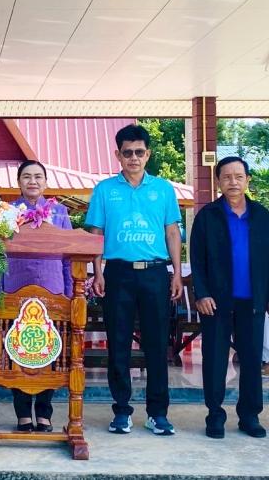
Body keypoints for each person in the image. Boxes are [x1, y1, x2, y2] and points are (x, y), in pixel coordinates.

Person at [87, 123, 183, 436]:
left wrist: (176, 273)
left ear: (148, 154)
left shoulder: (163, 189)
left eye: (139, 152)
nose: (133, 158)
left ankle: (158, 413)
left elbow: (172, 232)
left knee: (157, 344)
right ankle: (121, 411)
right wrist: (98, 272)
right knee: (118, 344)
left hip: (155, 273)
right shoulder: (105, 190)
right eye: (127, 152)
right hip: (118, 274)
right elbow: (96, 234)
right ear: (118, 155)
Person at [190, 156, 269, 439]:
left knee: (252, 359)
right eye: (226, 177)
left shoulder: (262, 216)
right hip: (216, 301)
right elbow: (197, 259)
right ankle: (215, 415)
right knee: (214, 359)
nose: (233, 182)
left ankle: (249, 416)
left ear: (248, 180)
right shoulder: (207, 216)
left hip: (253, 301)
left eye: (238, 176)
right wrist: (202, 293)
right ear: (218, 181)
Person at [5, 159, 73, 432]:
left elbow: (69, 256)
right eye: (26, 176)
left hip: (52, 289)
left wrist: (69, 292)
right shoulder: (7, 213)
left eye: (38, 177)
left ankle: (44, 413)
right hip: (16, 289)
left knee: (49, 349)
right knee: (18, 349)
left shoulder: (59, 212)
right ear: (18, 182)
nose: (32, 181)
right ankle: (23, 413)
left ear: (45, 182)